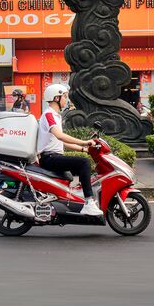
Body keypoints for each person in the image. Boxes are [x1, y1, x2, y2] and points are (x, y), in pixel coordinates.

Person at [36, 83, 102, 217]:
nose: (66, 100)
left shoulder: (55, 116)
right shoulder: (49, 114)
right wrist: (84, 142)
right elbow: (60, 136)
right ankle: (89, 202)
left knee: (83, 164)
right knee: (84, 163)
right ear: (56, 98)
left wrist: (84, 149)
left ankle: (79, 200)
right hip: (49, 158)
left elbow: (61, 141)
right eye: (64, 96)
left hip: (53, 156)